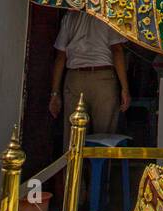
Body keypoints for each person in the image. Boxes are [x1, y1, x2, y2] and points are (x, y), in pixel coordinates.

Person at [48, 9, 130, 145]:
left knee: (73, 135)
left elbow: (61, 56)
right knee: (104, 137)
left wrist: (55, 92)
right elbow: (117, 50)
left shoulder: (70, 17)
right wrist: (125, 88)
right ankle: (99, 165)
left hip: (74, 78)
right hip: (103, 79)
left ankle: (72, 165)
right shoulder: (109, 14)